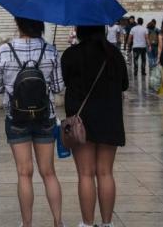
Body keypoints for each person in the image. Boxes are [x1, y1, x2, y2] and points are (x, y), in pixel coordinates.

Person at [0, 17, 64, 227]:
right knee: (48, 172)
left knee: (24, 173)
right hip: (45, 117)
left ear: (18, 23)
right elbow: (58, 88)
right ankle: (58, 222)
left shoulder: (5, 50)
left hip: (17, 118)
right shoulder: (50, 50)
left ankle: (27, 223)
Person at [62, 26, 128, 227]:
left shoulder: (71, 54)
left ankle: (87, 224)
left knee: (85, 174)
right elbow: (124, 84)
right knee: (106, 172)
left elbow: (64, 81)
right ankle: (107, 223)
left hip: (81, 121)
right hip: (110, 118)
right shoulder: (114, 53)